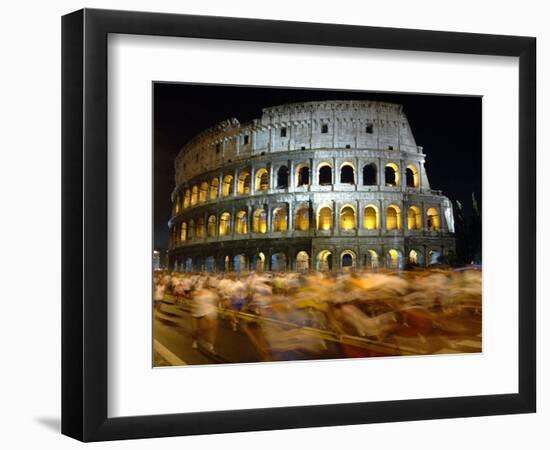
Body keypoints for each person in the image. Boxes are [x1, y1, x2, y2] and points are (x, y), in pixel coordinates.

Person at [190, 287, 219, 353]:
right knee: (198, 330)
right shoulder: (197, 292)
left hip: (208, 313)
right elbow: (192, 299)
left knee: (211, 329)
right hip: (197, 313)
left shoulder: (212, 294)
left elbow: (217, 301)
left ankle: (211, 346)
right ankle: (195, 340)